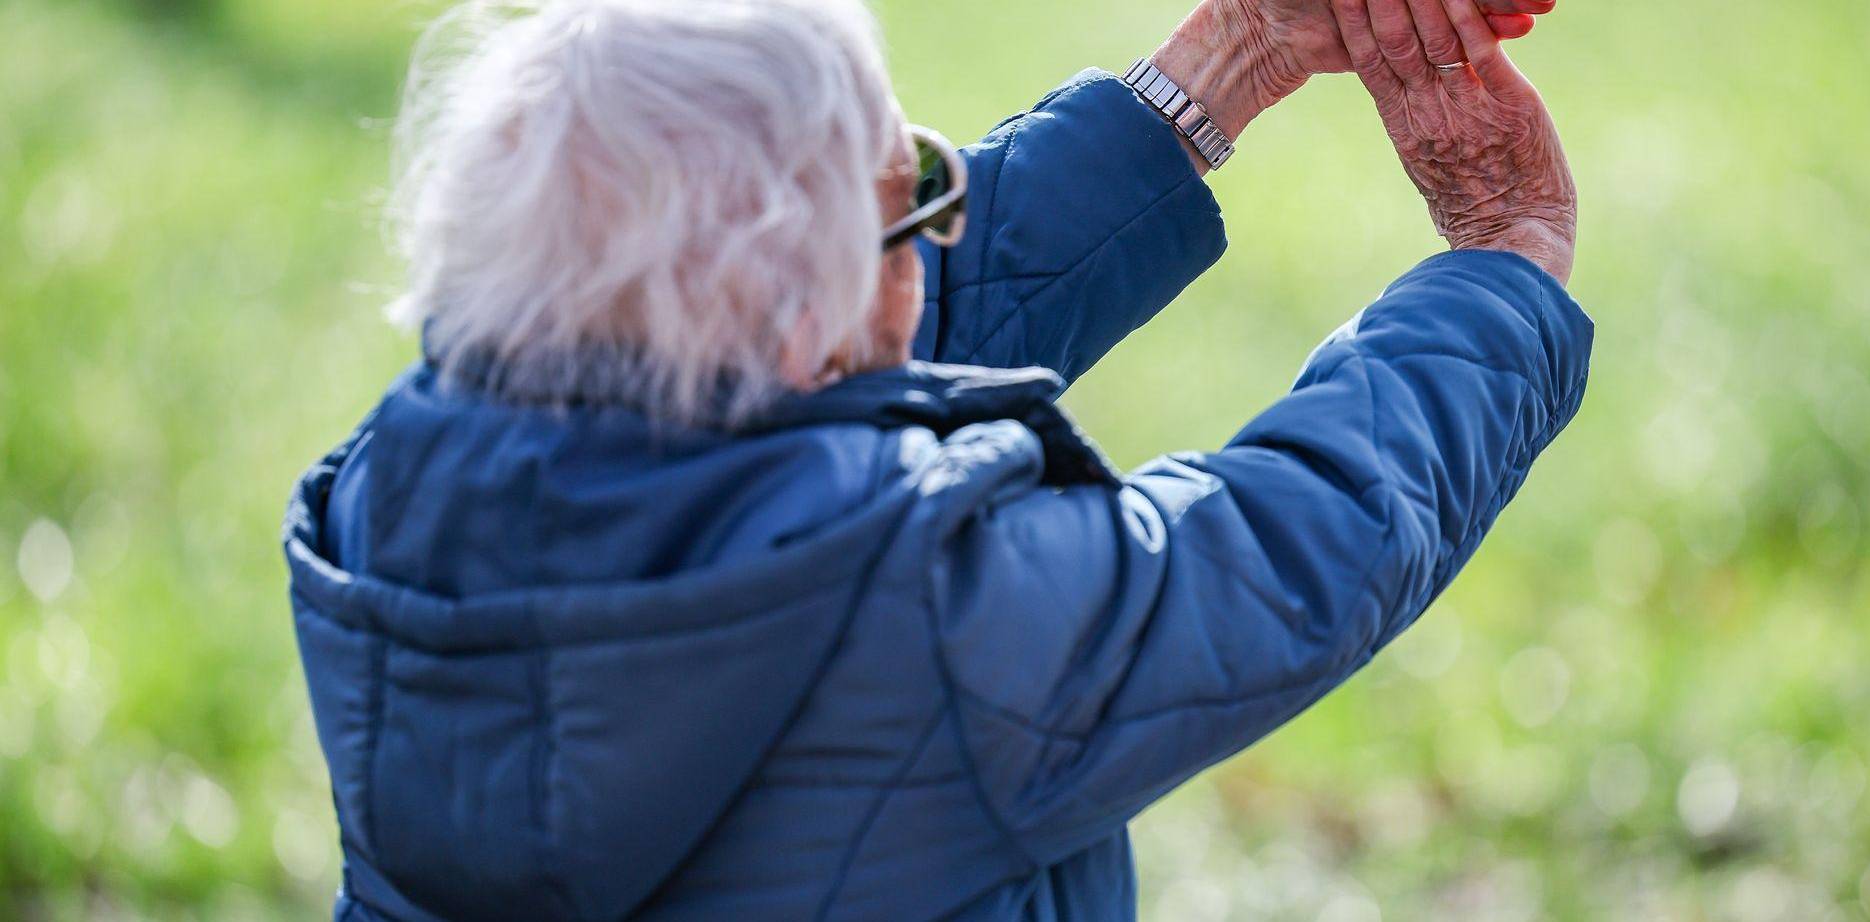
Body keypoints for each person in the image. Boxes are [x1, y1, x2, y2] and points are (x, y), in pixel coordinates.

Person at [282, 0, 1590, 918]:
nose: (939, 229)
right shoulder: (936, 614)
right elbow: (1295, 542)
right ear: (797, 308)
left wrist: (1240, 48)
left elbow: (846, 351)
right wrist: (1505, 257)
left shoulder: (386, 501)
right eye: (910, 193)